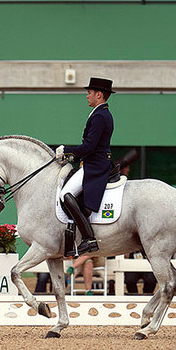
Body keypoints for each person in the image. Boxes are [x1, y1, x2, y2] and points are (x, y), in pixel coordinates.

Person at [56, 77, 115, 256]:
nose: (87, 96)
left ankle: (88, 238)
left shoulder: (99, 116)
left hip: (95, 165)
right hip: (94, 161)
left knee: (66, 195)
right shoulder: (101, 113)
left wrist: (66, 149)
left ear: (99, 94)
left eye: (89, 93)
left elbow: (89, 146)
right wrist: (73, 155)